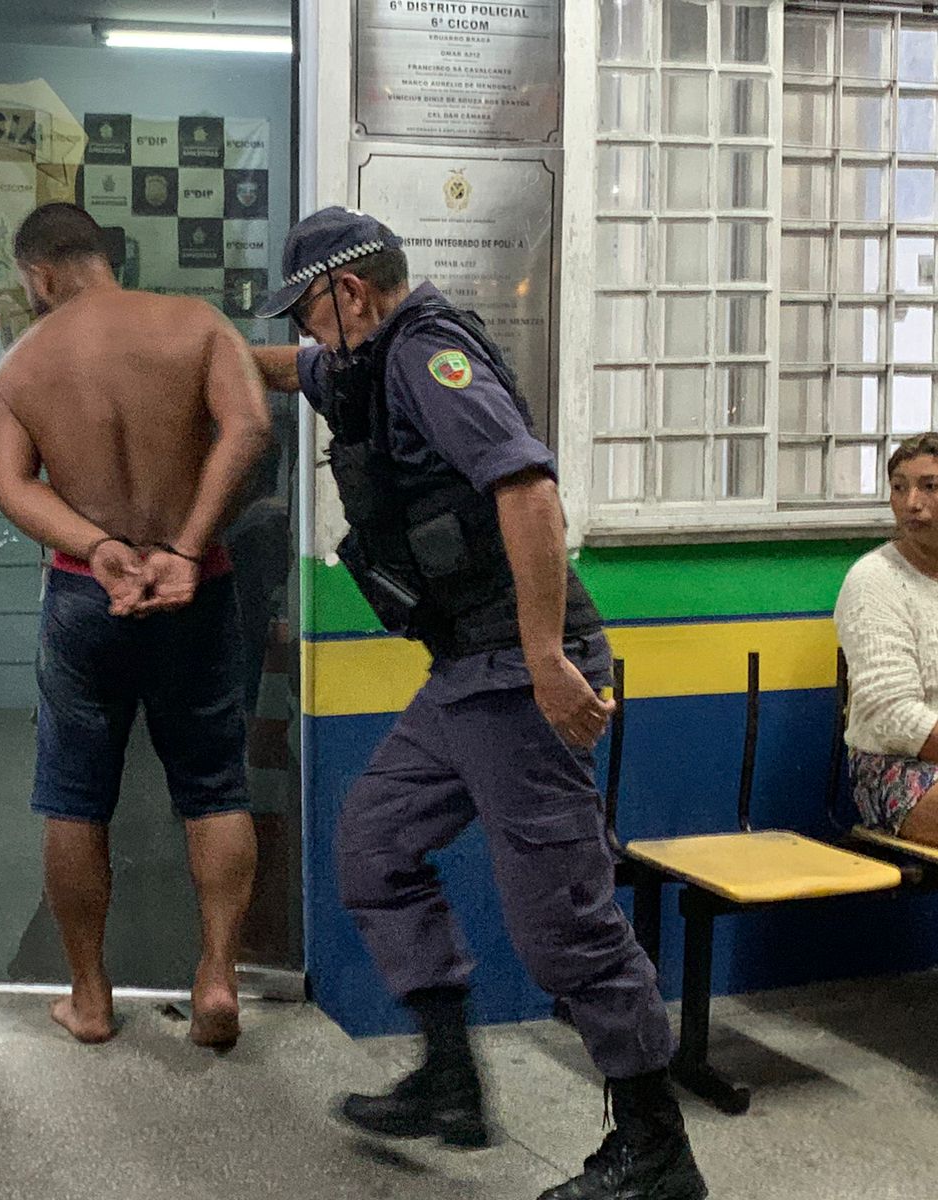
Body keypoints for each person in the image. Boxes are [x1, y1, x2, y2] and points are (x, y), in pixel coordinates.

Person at [250, 207, 706, 1200]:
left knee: (562, 922)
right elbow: (287, 368)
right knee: (373, 844)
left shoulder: (428, 358)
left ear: (351, 293)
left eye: (311, 312)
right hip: (464, 672)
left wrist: (546, 657)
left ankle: (655, 1152)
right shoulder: (363, 360)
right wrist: (187, 349)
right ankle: (450, 1083)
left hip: (518, 670)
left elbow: (528, 490)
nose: (309, 335)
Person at [0, 202, 272, 1048]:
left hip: (86, 598)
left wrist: (101, 548)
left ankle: (90, 996)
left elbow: (11, 485)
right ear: (104, 256)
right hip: (199, 587)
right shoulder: (196, 324)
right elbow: (249, 425)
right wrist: (182, 548)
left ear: (39, 275)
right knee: (215, 785)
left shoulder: (21, 367)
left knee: (74, 799)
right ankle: (217, 977)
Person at [834, 432, 938, 846]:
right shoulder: (875, 580)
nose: (911, 503)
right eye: (899, 488)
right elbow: (892, 715)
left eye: (930, 486)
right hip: (897, 767)